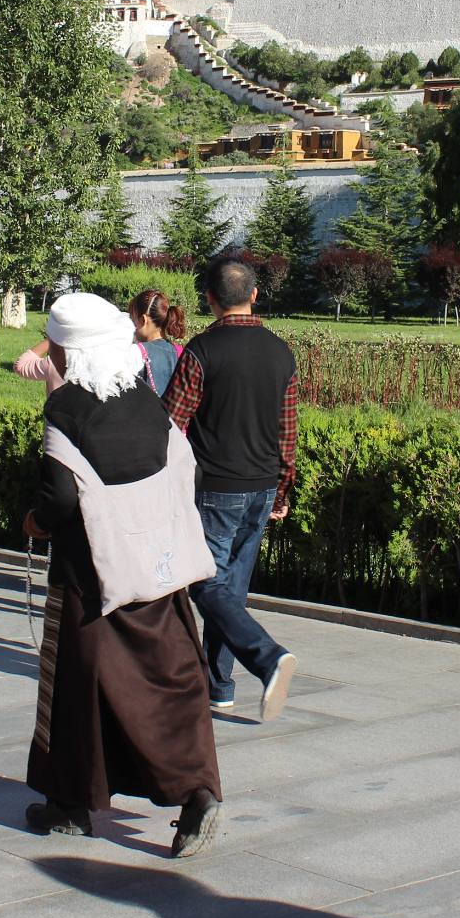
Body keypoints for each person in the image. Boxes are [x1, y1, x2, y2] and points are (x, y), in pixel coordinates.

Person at [21, 293, 223, 857]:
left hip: (92, 579)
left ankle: (72, 805)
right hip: (159, 570)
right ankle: (198, 793)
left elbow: (60, 498)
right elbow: (187, 471)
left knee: (79, 694)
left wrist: (35, 521)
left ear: (70, 351)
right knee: (170, 683)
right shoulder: (144, 400)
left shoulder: (66, 410)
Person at [162, 255, 299, 722]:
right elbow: (288, 431)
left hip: (216, 486)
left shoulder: (201, 351)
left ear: (210, 299)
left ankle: (266, 657)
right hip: (261, 485)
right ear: (255, 294)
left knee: (203, 580)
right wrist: (281, 491)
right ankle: (219, 684)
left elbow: (170, 424)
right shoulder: (282, 353)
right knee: (230, 587)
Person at [128, 288, 187, 398]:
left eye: (133, 319)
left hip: (147, 413)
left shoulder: (137, 352)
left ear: (143, 320)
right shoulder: (180, 351)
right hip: (172, 413)